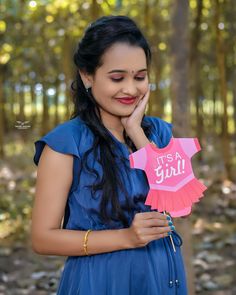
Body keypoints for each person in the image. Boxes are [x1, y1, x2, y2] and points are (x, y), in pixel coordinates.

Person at [31, 15, 188, 295]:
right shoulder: (66, 144)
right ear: (87, 75)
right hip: (100, 281)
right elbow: (43, 239)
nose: (130, 89)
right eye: (117, 78)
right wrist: (126, 237)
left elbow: (182, 206)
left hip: (163, 277)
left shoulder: (160, 134)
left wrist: (138, 133)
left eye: (140, 77)